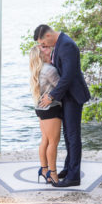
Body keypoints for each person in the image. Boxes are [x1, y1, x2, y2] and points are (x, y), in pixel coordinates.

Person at [34, 24, 91, 187]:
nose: (44, 47)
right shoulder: (60, 44)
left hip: (73, 96)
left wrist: (51, 96)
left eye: (43, 44)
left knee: (73, 136)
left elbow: (67, 76)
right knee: (68, 135)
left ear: (48, 36)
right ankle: (68, 169)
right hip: (67, 96)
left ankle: (73, 177)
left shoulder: (66, 45)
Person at [29, 44, 62, 185]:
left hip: (40, 108)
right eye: (44, 49)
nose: (47, 49)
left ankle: (44, 169)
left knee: (45, 140)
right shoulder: (49, 70)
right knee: (53, 142)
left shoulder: (36, 70)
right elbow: (61, 87)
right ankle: (53, 173)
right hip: (51, 108)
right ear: (41, 55)